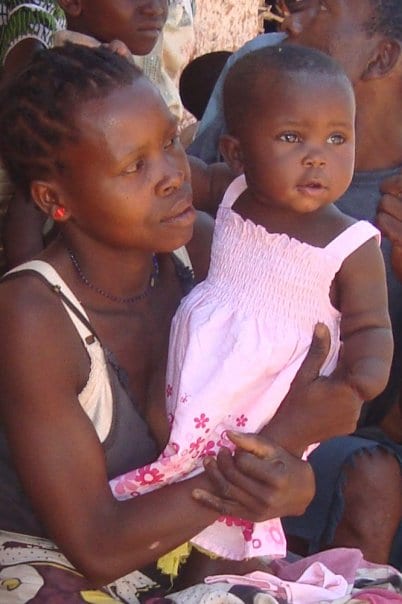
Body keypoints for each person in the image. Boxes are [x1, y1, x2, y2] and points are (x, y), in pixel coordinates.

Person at [0, 42, 363, 602]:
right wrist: (284, 437)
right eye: (134, 165)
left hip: (192, 545)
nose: (172, 175)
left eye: (170, 142)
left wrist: (290, 479)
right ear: (56, 198)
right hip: (56, 561)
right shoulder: (32, 314)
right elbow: (96, 547)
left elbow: (289, 462)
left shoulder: (210, 252)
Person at [109, 43, 393, 567]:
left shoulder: (352, 243)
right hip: (200, 361)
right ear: (239, 152)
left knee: (241, 493)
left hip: (272, 396)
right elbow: (183, 174)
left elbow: (371, 324)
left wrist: (361, 377)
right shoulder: (235, 190)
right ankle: (161, 544)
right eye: (291, 137)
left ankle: (230, 572)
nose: (317, 156)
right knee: (166, 444)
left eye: (337, 138)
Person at [188, 0, 402, 569]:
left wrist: (351, 389)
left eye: (319, 10)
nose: (290, 23)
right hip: (203, 387)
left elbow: (370, 340)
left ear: (381, 58)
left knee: (364, 480)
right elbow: (186, 189)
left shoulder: (354, 240)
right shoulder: (258, 91)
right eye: (290, 137)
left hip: (318, 418)